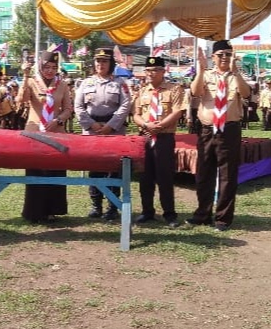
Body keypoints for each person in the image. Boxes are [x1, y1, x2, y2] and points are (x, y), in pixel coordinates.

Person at [187, 40, 251, 231]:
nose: (224, 58)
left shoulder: (236, 76)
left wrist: (236, 71)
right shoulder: (206, 75)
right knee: (204, 173)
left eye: (228, 54)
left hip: (229, 129)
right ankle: (202, 214)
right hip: (207, 129)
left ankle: (223, 218)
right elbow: (195, 92)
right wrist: (200, 70)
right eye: (221, 54)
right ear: (213, 57)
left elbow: (246, 94)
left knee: (227, 175)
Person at [74, 48, 131, 221]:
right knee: (94, 169)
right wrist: (91, 124)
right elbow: (78, 106)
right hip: (92, 131)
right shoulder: (86, 83)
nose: (100, 64)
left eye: (104, 61)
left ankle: (112, 207)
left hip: (114, 131)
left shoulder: (120, 83)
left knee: (114, 169)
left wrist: (111, 126)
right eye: (98, 61)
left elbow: (126, 105)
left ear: (111, 63)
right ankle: (96, 205)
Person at [16, 51, 73, 223]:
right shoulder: (32, 81)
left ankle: (53, 210)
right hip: (35, 132)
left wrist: (58, 120)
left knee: (54, 170)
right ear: (40, 66)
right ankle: (34, 211)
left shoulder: (62, 84)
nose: (50, 71)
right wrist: (25, 76)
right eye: (47, 67)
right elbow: (21, 99)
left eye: (54, 68)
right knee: (36, 169)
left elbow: (68, 109)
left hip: (56, 133)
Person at [132, 56, 184, 228]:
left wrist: (159, 126)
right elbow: (136, 114)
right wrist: (146, 125)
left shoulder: (174, 89)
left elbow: (177, 112)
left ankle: (169, 214)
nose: (151, 73)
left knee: (165, 176)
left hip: (164, 137)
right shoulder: (142, 91)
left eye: (155, 70)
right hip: (145, 137)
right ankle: (147, 211)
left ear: (163, 71)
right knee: (145, 176)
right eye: (148, 70)